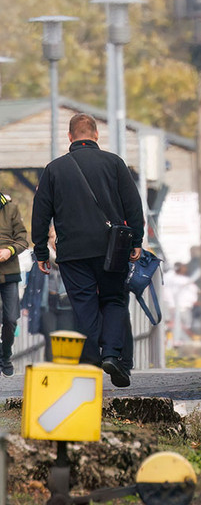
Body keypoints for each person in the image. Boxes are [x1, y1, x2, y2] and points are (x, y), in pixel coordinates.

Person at [31, 113, 144, 386]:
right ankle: (113, 355)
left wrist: (41, 251)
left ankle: (94, 355)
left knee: (84, 304)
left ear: (70, 137)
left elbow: (40, 212)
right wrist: (137, 241)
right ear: (96, 135)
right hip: (112, 248)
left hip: (73, 252)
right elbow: (133, 204)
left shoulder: (54, 169)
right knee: (114, 299)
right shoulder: (114, 163)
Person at [0, 189, 28, 375]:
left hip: (9, 272)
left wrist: (10, 250)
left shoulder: (10, 208)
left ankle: (5, 354)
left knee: (10, 319)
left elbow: (22, 239)